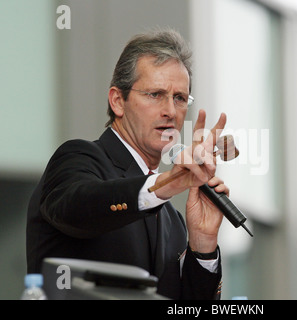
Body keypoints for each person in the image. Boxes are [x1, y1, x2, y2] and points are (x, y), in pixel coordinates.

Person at [25, 27, 229, 300]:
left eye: (179, 98)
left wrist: (203, 246)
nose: (170, 110)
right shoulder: (78, 158)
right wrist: (166, 184)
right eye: (155, 94)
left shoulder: (173, 220)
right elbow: (76, 207)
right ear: (118, 101)